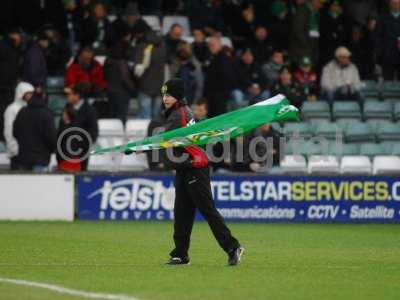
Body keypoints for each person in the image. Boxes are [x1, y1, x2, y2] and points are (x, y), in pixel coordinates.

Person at [151, 78, 243, 265]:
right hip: (186, 167)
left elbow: (163, 140)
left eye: (169, 95)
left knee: (207, 210)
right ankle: (180, 253)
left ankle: (233, 247)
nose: (165, 99)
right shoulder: (181, 112)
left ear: (177, 95)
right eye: (163, 95)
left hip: (195, 167)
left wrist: (138, 147)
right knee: (182, 213)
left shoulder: (179, 114)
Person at [13, 93, 56, 172]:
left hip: (23, 157)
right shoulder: (47, 113)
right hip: (41, 158)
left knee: (23, 184)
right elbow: (51, 137)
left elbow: (15, 132)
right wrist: (51, 150)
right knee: (38, 184)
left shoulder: (22, 111)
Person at [60, 84, 98, 171]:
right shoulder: (67, 108)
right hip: (66, 151)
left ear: (76, 96)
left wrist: (83, 146)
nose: (67, 97)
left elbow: (93, 132)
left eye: (69, 94)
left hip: (81, 152)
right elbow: (61, 128)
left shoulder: (90, 110)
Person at [133, 30, 167, 118]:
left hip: (145, 88)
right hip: (159, 87)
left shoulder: (142, 48)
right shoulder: (163, 48)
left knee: (145, 117)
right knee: (156, 118)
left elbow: (137, 71)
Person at [3, 82, 35, 170]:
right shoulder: (11, 109)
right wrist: (15, 150)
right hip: (17, 154)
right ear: (21, 93)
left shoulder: (32, 108)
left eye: (32, 93)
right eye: (28, 93)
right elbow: (8, 131)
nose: (30, 96)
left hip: (30, 154)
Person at [104, 37, 135, 124]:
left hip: (110, 92)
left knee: (112, 116)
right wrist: (133, 89)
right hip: (122, 93)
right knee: (121, 117)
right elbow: (124, 78)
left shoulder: (107, 61)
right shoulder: (121, 62)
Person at [203, 37, 236, 117]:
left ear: (220, 45)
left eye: (213, 45)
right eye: (209, 45)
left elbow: (227, 77)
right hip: (211, 95)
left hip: (219, 95)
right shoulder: (210, 57)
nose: (211, 47)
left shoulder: (224, 59)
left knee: (218, 117)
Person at [0, 28, 23, 140]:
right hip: (7, 87)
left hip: (6, 87)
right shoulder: (11, 49)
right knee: (7, 114)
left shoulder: (9, 48)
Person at [374, 0, 400, 80]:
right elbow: (377, 37)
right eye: (393, 3)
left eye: (397, 3)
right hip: (387, 57)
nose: (395, 5)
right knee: (388, 81)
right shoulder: (382, 18)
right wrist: (380, 52)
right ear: (390, 4)